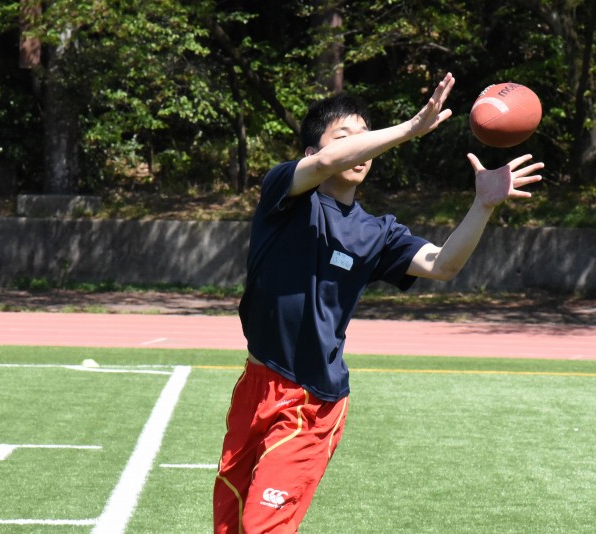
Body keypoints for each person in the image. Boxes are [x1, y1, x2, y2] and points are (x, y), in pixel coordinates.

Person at [212, 72, 543, 533]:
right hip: (256, 385)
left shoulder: (376, 232)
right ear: (310, 152)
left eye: (364, 137)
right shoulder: (284, 193)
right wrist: (410, 128)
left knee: (260, 525)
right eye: (346, 136)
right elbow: (328, 161)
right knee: (228, 523)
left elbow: (443, 264)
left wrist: (482, 206)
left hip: (312, 400)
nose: (359, 147)